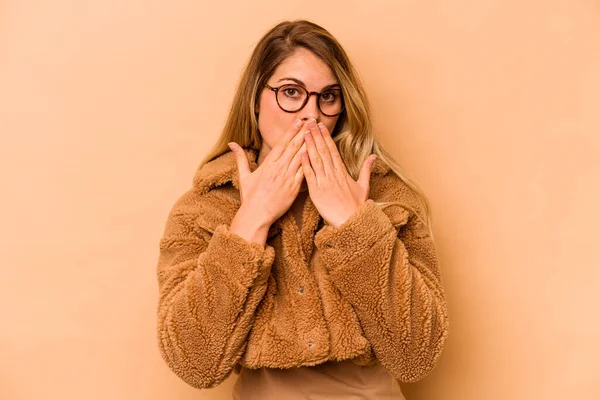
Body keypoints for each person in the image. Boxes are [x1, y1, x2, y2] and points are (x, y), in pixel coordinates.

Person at [156, 19, 450, 399]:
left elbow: (417, 357)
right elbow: (194, 364)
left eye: (328, 96)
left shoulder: (388, 193)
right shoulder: (204, 205)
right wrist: (251, 221)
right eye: (291, 92)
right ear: (255, 99)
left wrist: (353, 226)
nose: (311, 114)